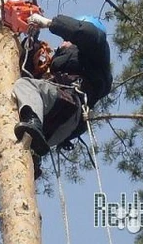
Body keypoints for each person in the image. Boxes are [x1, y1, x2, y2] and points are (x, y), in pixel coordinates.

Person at [12, 13, 113, 172]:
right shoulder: (55, 73)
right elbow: (28, 74)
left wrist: (51, 24)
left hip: (68, 103)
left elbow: (87, 34)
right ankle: (31, 156)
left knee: (24, 86)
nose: (62, 42)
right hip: (58, 128)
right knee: (22, 92)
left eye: (67, 39)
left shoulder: (95, 53)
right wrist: (31, 44)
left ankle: (33, 126)